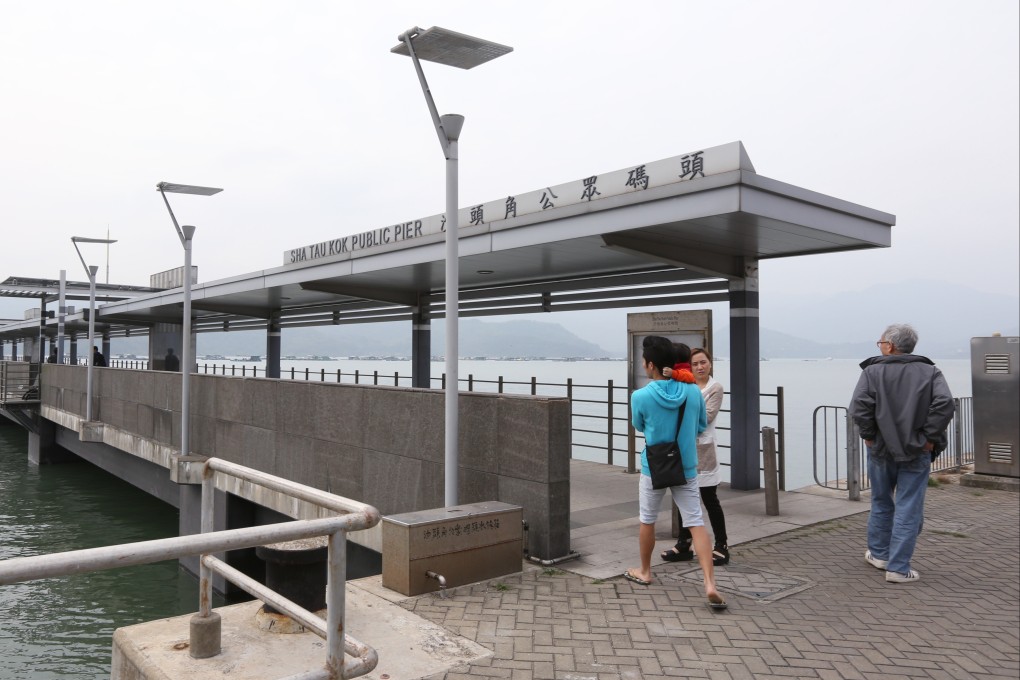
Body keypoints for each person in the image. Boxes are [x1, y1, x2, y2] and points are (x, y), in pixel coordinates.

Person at [623, 335, 726, 610]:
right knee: (695, 521)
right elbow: (702, 423)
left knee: (648, 519)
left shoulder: (640, 396)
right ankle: (709, 583)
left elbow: (639, 426)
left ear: (651, 365)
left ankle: (645, 572)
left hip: (654, 466)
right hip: (687, 465)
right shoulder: (692, 391)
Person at [850, 323, 955, 584]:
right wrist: (929, 437)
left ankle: (880, 555)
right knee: (909, 506)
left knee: (881, 502)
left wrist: (869, 435)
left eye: (881, 342)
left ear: (891, 346)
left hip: (880, 450)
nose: (880, 346)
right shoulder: (931, 372)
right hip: (917, 450)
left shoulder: (872, 372)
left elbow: (860, 407)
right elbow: (945, 404)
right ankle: (898, 567)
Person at [661, 346, 730, 566]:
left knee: (710, 499)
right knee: (684, 499)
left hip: (704, 452)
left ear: (710, 363)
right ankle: (684, 544)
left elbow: (707, 418)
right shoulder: (685, 386)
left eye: (703, 362)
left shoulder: (714, 388)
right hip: (683, 450)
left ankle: (722, 546)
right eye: (695, 364)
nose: (700, 367)